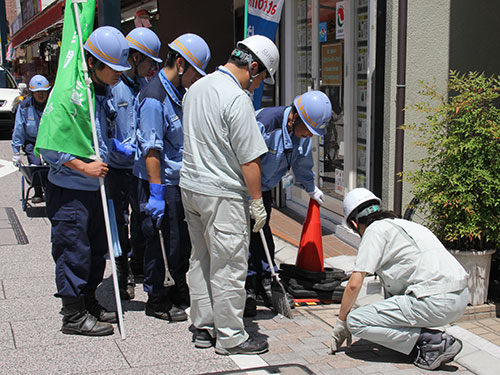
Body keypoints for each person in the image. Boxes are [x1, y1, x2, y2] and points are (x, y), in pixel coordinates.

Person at [180, 35, 279, 355]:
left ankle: (204, 327)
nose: (258, 84)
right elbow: (250, 160)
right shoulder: (237, 99)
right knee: (228, 266)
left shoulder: (196, 88)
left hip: (191, 187)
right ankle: (231, 337)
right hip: (222, 194)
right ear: (252, 67)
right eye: (261, 76)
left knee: (201, 259)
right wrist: (257, 202)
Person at [39, 26, 131, 336]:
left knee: (94, 250)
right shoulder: (68, 94)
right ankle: (73, 314)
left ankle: (88, 301)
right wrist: (83, 167)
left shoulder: (97, 92)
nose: (119, 75)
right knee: (72, 250)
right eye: (114, 69)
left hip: (95, 190)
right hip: (71, 189)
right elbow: (49, 145)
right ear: (94, 63)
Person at [330, 188, 469, 371]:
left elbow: (354, 284)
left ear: (355, 224)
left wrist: (342, 322)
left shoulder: (374, 231)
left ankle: (433, 342)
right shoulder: (405, 225)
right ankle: (427, 339)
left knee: (356, 320)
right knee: (390, 303)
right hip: (460, 297)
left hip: (435, 300)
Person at [133, 33, 211, 322]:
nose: (195, 79)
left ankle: (177, 287)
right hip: (159, 183)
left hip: (177, 183)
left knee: (179, 243)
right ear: (180, 64)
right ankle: (157, 298)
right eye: (194, 72)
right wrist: (155, 193)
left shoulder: (177, 93)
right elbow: (152, 150)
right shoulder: (155, 97)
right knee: (160, 241)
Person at [244, 90, 332, 317]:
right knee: (245, 240)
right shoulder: (266, 123)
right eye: (309, 131)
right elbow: (244, 160)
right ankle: (247, 288)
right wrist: (249, 198)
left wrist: (310, 188)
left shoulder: (300, 135)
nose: (309, 136)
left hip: (263, 190)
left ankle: (265, 282)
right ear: (296, 117)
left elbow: (302, 162)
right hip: (243, 188)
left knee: (262, 237)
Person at [106, 27, 162, 301]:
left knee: (141, 218)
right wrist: (114, 144)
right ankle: (121, 274)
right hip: (116, 167)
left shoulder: (142, 87)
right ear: (135, 57)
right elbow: (102, 126)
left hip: (137, 167)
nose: (152, 67)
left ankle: (138, 265)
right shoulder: (113, 87)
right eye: (150, 61)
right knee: (120, 220)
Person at [11, 74, 51, 203]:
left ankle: (51, 191)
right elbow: (19, 128)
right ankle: (38, 190)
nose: (41, 95)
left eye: (43, 92)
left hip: (50, 140)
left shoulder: (53, 104)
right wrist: (16, 151)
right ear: (32, 93)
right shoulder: (25, 106)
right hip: (32, 141)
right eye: (37, 92)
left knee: (52, 165)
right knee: (36, 166)